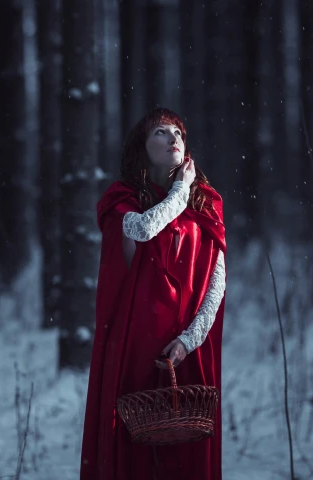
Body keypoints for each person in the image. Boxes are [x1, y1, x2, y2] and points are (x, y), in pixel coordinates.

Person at [80, 108, 227, 479]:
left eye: (178, 131)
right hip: (136, 345)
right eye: (161, 132)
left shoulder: (206, 204)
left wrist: (188, 340)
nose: (174, 137)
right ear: (141, 148)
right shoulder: (122, 202)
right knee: (135, 453)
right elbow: (145, 230)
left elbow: (216, 284)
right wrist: (180, 191)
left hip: (187, 349)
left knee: (186, 454)